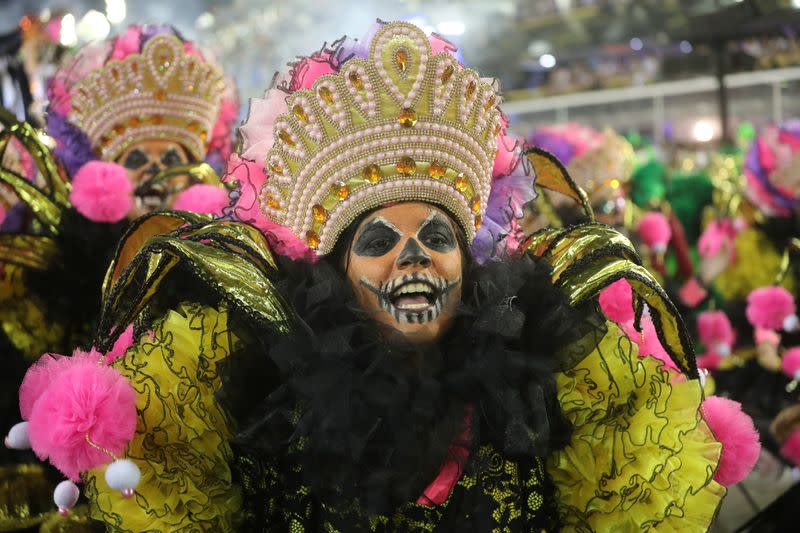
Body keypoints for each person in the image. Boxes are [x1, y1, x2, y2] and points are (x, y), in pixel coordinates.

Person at [13, 21, 736, 531]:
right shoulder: (252, 389)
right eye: (381, 239)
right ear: (334, 270)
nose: (415, 257)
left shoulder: (552, 378)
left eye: (437, 237)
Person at [0, 24, 236, 530]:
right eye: (135, 161)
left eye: (172, 161)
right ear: (101, 176)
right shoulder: (59, 266)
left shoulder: (224, 264)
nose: (153, 176)